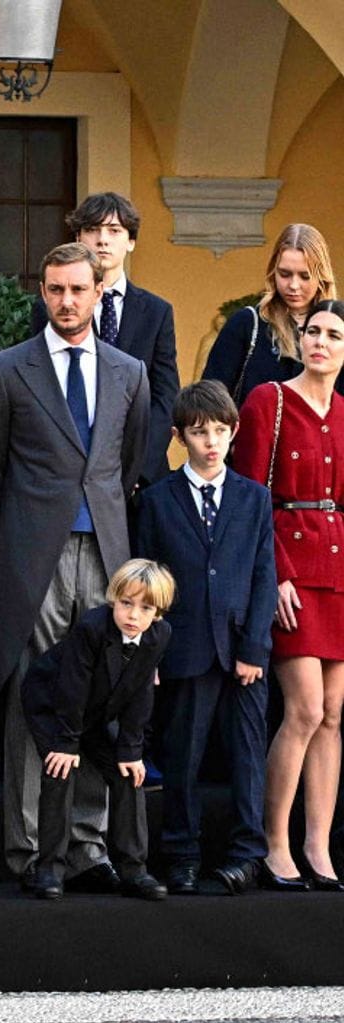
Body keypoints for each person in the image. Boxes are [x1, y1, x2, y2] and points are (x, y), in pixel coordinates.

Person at [0, 242, 150, 888]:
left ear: (98, 293)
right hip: (33, 555)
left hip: (107, 553)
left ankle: (88, 845)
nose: (66, 300)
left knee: (98, 696)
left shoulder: (130, 372)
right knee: (36, 695)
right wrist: (22, 535)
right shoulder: (6, 369)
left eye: (78, 289)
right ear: (42, 292)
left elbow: (125, 465)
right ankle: (29, 847)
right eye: (54, 289)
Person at [134, 381, 276, 895]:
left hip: (241, 649)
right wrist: (151, 649)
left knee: (245, 756)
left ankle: (246, 854)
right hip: (184, 647)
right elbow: (146, 580)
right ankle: (182, 853)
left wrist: (255, 647)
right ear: (179, 437)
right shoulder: (156, 501)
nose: (211, 442)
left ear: (234, 432)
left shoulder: (254, 498)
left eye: (220, 431)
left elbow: (264, 575)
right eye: (199, 433)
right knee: (183, 756)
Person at [231, 299, 344, 892]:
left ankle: (318, 846)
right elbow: (250, 499)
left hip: (338, 569)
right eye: (312, 331)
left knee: (332, 713)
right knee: (301, 708)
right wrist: (273, 574)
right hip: (289, 567)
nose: (320, 341)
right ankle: (276, 842)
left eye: (333, 334)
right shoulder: (267, 401)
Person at [21, 559, 174, 901]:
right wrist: (65, 742)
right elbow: (71, 688)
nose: (133, 615)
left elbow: (141, 690)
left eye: (145, 608)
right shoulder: (91, 628)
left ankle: (134, 870)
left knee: (129, 773)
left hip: (98, 711)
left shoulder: (158, 636)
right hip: (54, 706)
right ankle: (50, 870)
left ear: (158, 614)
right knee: (60, 771)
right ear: (113, 600)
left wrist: (131, 750)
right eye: (126, 603)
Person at [29, 192, 178, 487]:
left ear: (131, 241)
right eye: (93, 230)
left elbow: (165, 396)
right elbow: (45, 390)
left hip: (142, 476)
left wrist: (137, 467)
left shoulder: (157, 312)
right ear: (78, 238)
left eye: (114, 230)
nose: (102, 240)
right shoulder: (49, 309)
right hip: (72, 470)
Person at [204, 223, 339, 407]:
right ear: (272, 272)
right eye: (284, 274)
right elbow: (210, 400)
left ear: (321, 277)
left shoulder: (339, 330)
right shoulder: (247, 325)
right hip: (255, 434)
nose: (293, 285)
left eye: (304, 276)